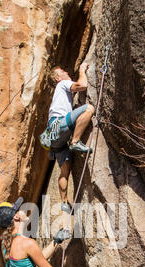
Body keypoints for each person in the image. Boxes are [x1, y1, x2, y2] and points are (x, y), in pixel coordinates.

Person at [47, 63, 95, 214]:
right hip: (60, 124)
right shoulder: (62, 84)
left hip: (53, 135)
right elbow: (82, 85)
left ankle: (64, 202)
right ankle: (75, 141)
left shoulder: (59, 94)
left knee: (64, 171)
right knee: (89, 109)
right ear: (57, 78)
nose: (67, 72)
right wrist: (82, 70)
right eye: (63, 71)